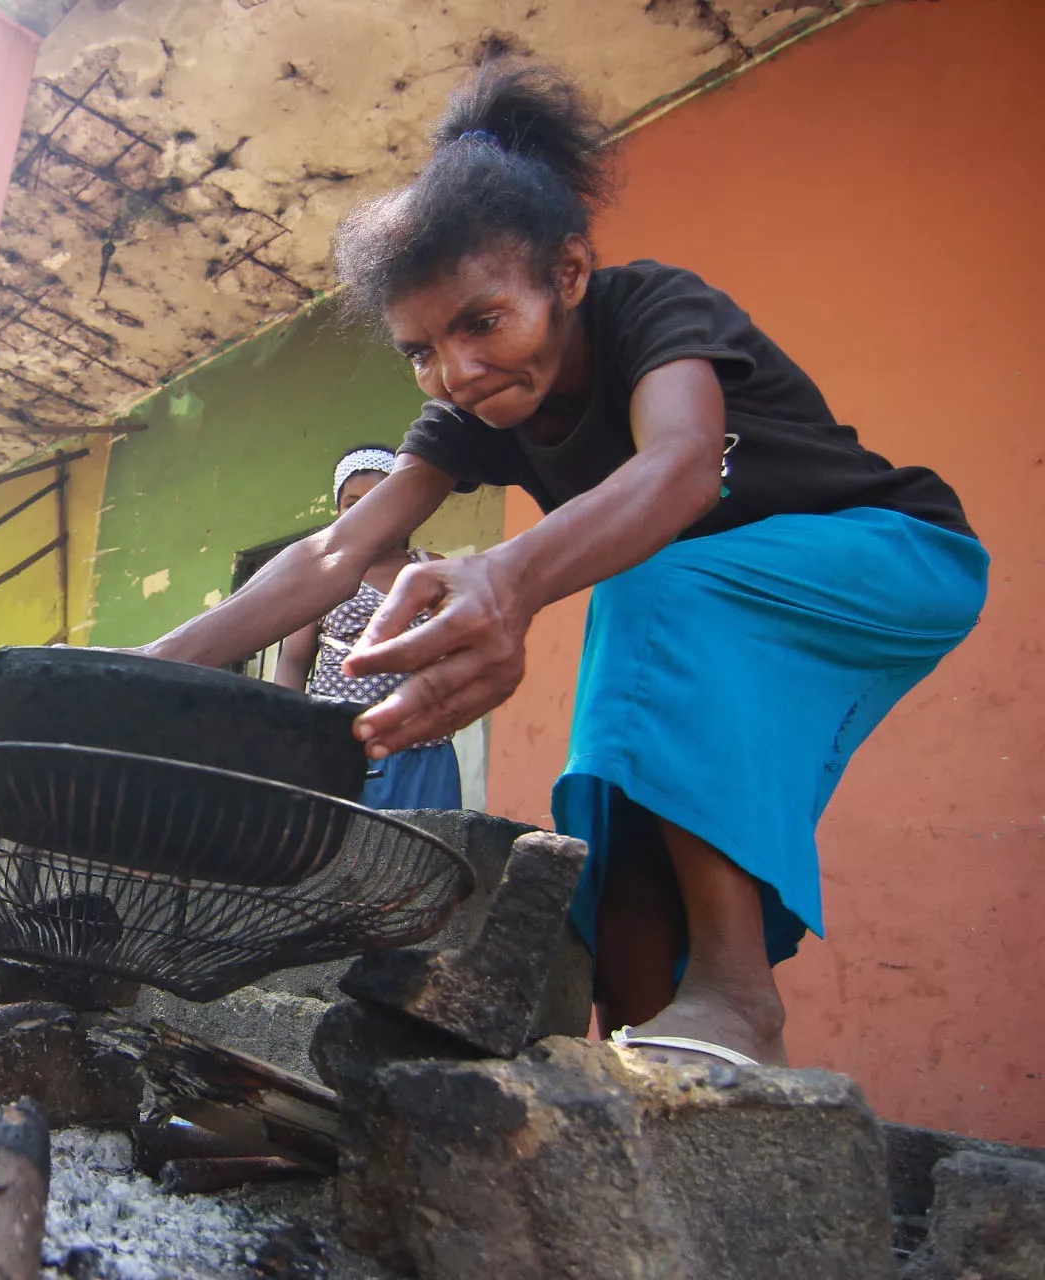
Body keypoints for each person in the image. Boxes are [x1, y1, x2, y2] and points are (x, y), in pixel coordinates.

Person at [133, 61, 986, 1068]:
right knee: (611, 820)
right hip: (713, 605)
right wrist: (152, 669)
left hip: (895, 555)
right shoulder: (469, 414)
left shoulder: (651, 310)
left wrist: (509, 575)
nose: (457, 370)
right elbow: (336, 549)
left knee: (655, 578)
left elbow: (682, 471)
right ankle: (655, 1070)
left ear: (568, 276)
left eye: (483, 321)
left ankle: (736, 991)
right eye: (421, 348)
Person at [272, 445, 463, 812]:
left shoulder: (431, 569)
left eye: (378, 500)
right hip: (337, 746)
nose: (364, 512)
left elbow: (457, 648)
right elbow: (294, 661)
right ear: (339, 511)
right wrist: (291, 738)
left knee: (423, 856)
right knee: (339, 859)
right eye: (351, 502)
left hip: (424, 748)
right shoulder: (321, 575)